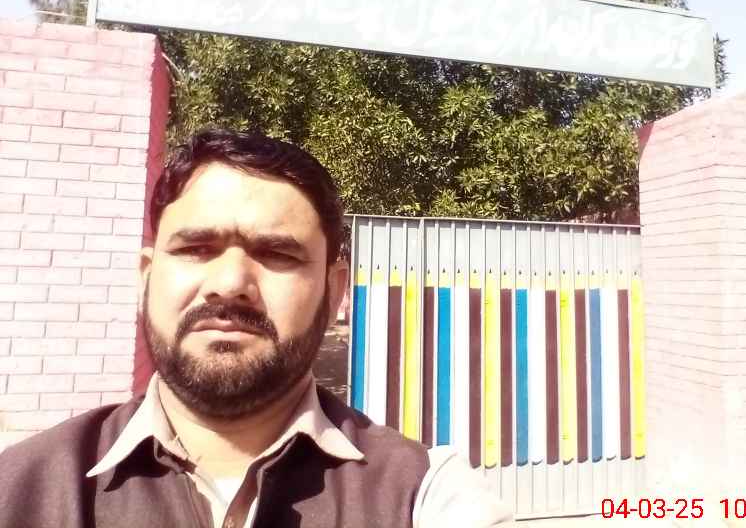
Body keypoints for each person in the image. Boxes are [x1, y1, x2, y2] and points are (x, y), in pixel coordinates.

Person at [0, 127, 512, 528]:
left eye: (277, 254)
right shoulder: (20, 487)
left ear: (334, 290)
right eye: (196, 248)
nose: (230, 284)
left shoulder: (422, 495)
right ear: (147, 277)